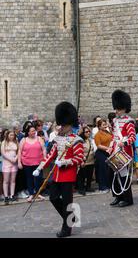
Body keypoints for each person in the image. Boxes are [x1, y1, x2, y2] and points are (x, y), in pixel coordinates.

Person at [33, 102, 84, 238]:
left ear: (70, 125)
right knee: (53, 198)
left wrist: (65, 162)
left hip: (68, 174)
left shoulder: (76, 140)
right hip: (56, 175)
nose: (62, 127)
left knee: (67, 202)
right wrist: (39, 167)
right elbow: (50, 156)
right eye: (62, 125)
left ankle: (66, 229)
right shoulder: (57, 138)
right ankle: (72, 217)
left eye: (64, 125)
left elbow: (79, 158)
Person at [109, 90, 136, 208]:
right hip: (115, 150)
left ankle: (127, 198)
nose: (117, 111)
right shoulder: (115, 121)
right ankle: (118, 195)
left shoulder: (129, 122)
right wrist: (112, 146)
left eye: (119, 109)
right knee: (115, 174)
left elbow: (132, 138)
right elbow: (114, 135)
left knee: (124, 175)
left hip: (125, 151)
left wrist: (123, 142)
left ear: (124, 108)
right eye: (116, 108)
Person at [17, 125, 47, 202]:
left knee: (38, 178)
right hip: (27, 162)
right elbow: (19, 151)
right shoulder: (24, 140)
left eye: (34, 131)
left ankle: (38, 193)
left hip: (38, 163)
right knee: (29, 178)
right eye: (32, 131)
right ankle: (31, 194)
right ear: (28, 132)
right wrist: (19, 162)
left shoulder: (39, 139)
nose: (34, 132)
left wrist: (44, 160)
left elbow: (44, 149)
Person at [94, 119, 113, 193]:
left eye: (105, 124)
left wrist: (110, 128)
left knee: (109, 170)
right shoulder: (97, 135)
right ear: (99, 126)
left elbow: (112, 137)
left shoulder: (107, 132)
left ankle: (108, 186)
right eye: (103, 125)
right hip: (101, 154)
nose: (105, 126)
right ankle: (103, 187)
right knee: (102, 171)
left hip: (108, 153)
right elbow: (98, 145)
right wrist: (108, 148)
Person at [1, 130, 19, 204]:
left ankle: (12, 195)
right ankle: (6, 196)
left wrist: (16, 158)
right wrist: (10, 159)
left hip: (14, 163)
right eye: (10, 135)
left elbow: (18, 151)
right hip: (6, 163)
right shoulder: (4, 142)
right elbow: (3, 153)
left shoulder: (16, 142)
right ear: (7, 135)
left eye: (13, 135)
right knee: (6, 181)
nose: (12, 136)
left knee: (13, 180)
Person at [77, 125, 95, 195]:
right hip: (83, 162)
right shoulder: (80, 141)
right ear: (83, 133)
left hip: (91, 161)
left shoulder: (89, 140)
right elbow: (79, 152)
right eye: (86, 132)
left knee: (89, 175)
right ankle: (81, 189)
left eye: (89, 131)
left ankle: (88, 187)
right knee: (81, 176)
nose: (88, 133)